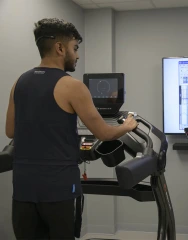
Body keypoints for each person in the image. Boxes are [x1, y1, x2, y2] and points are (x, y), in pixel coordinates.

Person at [5, 18, 138, 240]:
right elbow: (104, 133)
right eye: (75, 48)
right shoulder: (73, 86)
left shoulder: (19, 82)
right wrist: (127, 126)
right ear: (60, 48)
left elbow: (10, 131)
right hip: (58, 188)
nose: (77, 55)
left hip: (23, 187)